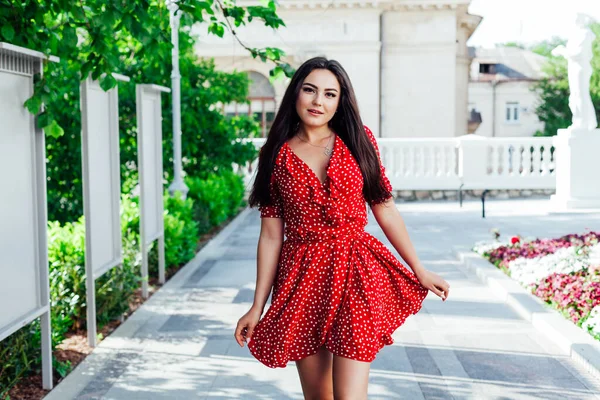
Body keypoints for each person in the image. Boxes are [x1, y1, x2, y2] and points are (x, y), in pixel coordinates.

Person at [234, 57, 450, 400]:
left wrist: (418, 268)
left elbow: (384, 206)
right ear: (295, 94)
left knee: (350, 395)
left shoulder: (358, 139)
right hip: (302, 279)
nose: (318, 101)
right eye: (310, 90)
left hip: (356, 272)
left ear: (340, 101)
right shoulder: (276, 154)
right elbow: (272, 235)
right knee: (319, 396)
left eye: (330, 94)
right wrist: (256, 306)